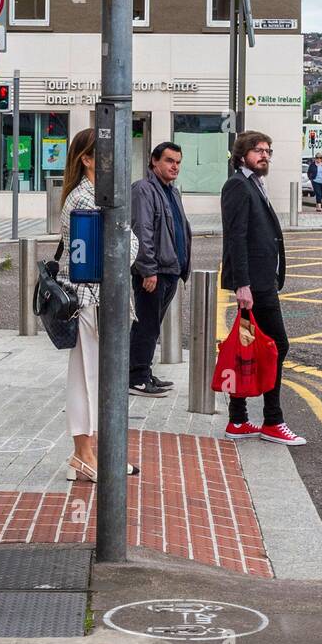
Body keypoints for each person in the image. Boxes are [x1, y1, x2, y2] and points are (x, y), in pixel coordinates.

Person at [58, 128, 140, 482]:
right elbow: (117, 251)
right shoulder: (86, 199)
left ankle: (86, 454)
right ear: (87, 160)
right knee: (91, 378)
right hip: (92, 299)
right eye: (105, 154)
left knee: (89, 376)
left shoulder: (92, 195)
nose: (114, 160)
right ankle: (86, 454)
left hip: (96, 298)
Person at [220, 131, 306, 446]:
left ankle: (238, 419)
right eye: (259, 150)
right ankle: (273, 421)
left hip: (260, 283)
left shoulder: (252, 183)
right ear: (242, 154)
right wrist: (242, 285)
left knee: (247, 351)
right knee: (277, 346)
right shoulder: (237, 186)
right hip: (254, 286)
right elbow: (236, 238)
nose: (265, 155)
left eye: (268, 150)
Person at [128, 142, 191, 397]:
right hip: (153, 272)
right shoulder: (143, 189)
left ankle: (142, 371)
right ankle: (136, 378)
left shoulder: (172, 191)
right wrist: (147, 269)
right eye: (169, 161)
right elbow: (141, 231)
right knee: (147, 325)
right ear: (154, 162)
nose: (174, 166)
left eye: (178, 162)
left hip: (170, 270)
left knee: (152, 326)